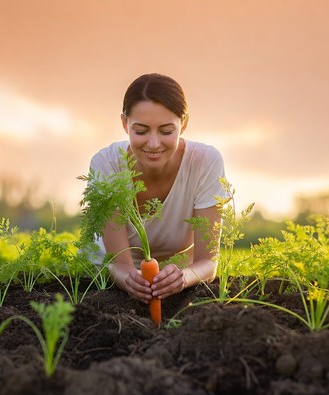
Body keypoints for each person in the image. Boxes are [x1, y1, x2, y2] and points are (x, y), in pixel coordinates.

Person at [88, 73, 227, 304]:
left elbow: (209, 262)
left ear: (184, 123)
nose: (153, 144)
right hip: (115, 276)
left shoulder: (205, 162)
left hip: (176, 274)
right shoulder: (107, 164)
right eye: (141, 131)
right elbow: (119, 263)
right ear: (124, 124)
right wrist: (131, 279)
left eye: (166, 131)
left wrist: (183, 277)